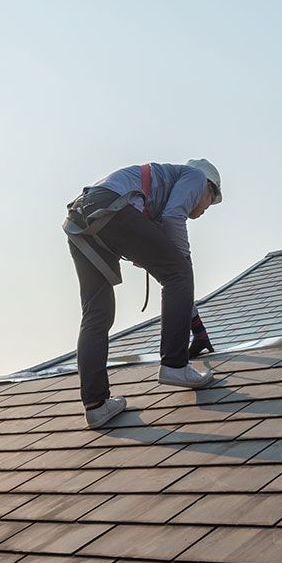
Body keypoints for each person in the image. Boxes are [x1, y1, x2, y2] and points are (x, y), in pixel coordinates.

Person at [64, 159, 222, 427]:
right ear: (208, 187)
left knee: (97, 313)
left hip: (80, 217)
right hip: (111, 207)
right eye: (211, 200)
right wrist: (182, 262)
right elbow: (175, 221)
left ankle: (96, 405)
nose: (206, 208)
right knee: (179, 272)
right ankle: (174, 364)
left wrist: (196, 327)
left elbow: (175, 287)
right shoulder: (195, 177)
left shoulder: (157, 200)